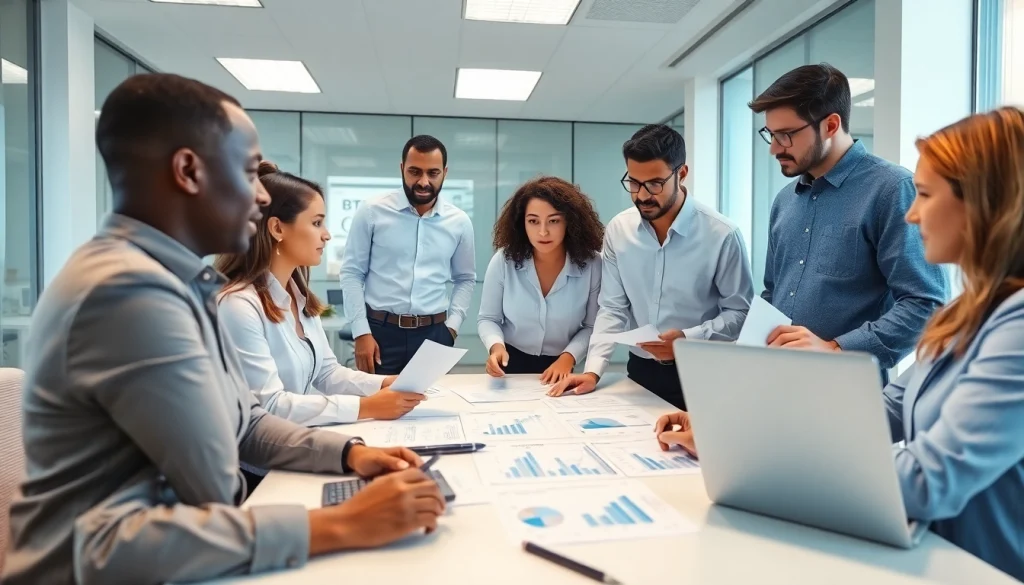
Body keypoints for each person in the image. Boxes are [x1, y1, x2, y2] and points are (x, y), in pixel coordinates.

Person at [2, 74, 444, 585]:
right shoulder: (128, 294)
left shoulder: (178, 283)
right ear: (188, 171)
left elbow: (247, 423)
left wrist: (351, 454)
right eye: (249, 172)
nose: (260, 196)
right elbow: (214, 482)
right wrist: (343, 524)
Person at [658, 107, 1024, 581]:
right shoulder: (965, 315)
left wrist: (757, 459)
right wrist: (729, 427)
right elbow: (879, 411)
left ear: (984, 203)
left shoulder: (1017, 325)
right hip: (925, 555)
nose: (912, 213)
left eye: (926, 195)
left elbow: (929, 478)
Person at [749, 64, 947, 378]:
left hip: (848, 388)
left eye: (786, 135)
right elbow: (773, 294)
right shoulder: (785, 200)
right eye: (771, 135)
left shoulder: (892, 190)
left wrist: (835, 350)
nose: (774, 148)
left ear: (830, 125)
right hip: (776, 381)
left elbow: (926, 304)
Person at [550, 124, 754, 409]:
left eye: (655, 184)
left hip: (702, 373)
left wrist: (687, 338)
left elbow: (740, 313)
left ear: (682, 174)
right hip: (641, 371)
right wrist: (593, 371)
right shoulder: (619, 230)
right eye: (634, 183)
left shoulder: (722, 235)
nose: (642, 195)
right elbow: (612, 308)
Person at [216, 161, 426, 427]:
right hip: (261, 451)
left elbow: (327, 373)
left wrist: (385, 383)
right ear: (277, 228)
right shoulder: (238, 306)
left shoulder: (299, 299)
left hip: (298, 437)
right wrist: (366, 407)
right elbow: (268, 406)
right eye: (316, 223)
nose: (326, 235)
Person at [340, 135, 476, 375]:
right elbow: (352, 273)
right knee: (378, 399)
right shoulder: (372, 211)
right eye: (415, 172)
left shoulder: (459, 222)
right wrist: (361, 332)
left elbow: (465, 278)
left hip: (434, 336)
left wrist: (452, 328)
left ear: (445, 173)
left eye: (433, 173)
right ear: (402, 168)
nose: (423, 182)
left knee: (431, 400)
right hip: (379, 335)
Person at [478, 177, 604, 383]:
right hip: (510, 362)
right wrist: (496, 346)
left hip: (563, 366)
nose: (543, 231)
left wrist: (568, 358)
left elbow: (592, 326)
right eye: (533, 221)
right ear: (522, 223)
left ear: (570, 222)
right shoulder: (504, 260)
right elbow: (488, 319)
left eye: (553, 221)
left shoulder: (592, 264)